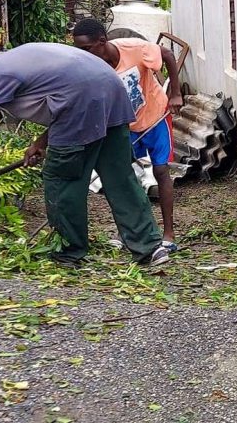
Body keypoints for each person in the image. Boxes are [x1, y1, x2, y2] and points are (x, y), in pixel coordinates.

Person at [0, 42, 170, 268]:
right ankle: (150, 248)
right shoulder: (18, 58)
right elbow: (69, 92)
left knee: (61, 179)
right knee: (120, 178)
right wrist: (41, 142)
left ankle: (68, 252)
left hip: (82, 101)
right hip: (112, 88)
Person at [71, 19, 181, 252]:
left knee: (161, 171)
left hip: (156, 116)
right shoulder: (90, 68)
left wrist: (175, 94)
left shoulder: (134, 48)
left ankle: (169, 233)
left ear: (102, 42)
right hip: (125, 127)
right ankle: (130, 232)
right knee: (123, 177)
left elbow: (168, 55)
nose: (83, 55)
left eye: (86, 49)